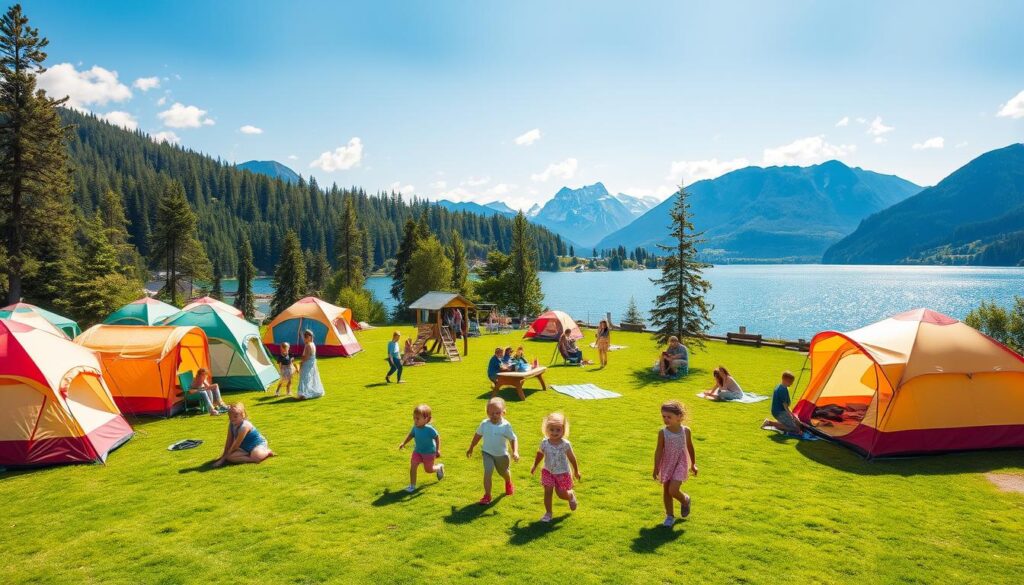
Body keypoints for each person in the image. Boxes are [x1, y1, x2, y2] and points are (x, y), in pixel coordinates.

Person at [466, 397, 519, 505]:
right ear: (487, 412)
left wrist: (515, 451)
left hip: (501, 455)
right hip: (487, 453)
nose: (494, 416)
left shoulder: (506, 425)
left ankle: (508, 482)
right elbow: (477, 436)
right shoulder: (484, 424)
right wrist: (471, 447)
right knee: (488, 472)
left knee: (503, 472)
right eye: (491, 413)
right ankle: (487, 495)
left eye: (497, 413)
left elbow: (513, 438)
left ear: (503, 412)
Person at [653, 400, 697, 527]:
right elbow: (658, 450)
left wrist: (693, 464)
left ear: (679, 417)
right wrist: (656, 467)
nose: (665, 419)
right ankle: (669, 516)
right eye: (663, 416)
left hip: (681, 462)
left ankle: (685, 499)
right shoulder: (663, 433)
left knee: (673, 490)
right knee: (666, 490)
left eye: (669, 417)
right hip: (667, 463)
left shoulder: (686, 431)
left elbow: (690, 447)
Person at [529, 412, 581, 522]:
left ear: (563, 430)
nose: (554, 432)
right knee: (547, 491)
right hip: (548, 471)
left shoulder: (565, 444)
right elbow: (540, 454)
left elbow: (572, 457)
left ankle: (570, 496)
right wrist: (534, 466)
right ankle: (548, 513)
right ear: (547, 429)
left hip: (562, 473)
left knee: (561, 494)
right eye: (551, 429)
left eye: (558, 430)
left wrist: (576, 471)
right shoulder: (544, 442)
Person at [398, 404, 444, 492]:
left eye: (418, 418)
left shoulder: (429, 429)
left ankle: (439, 467)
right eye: (414, 418)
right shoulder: (415, 427)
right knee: (413, 466)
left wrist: (438, 449)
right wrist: (404, 443)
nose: (415, 420)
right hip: (417, 451)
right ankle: (412, 486)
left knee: (428, 470)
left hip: (429, 452)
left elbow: (437, 437)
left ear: (427, 419)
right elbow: (411, 435)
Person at [213, 402, 274, 467]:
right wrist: (223, 457)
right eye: (230, 417)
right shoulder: (231, 425)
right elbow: (229, 441)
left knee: (256, 455)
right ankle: (252, 459)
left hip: (258, 444)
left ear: (242, 415)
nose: (232, 419)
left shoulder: (244, 426)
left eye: (235, 417)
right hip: (244, 449)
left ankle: (267, 452)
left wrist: (223, 460)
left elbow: (236, 445)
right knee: (229, 456)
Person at [296, 330, 325, 400]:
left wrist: (301, 363)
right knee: (310, 378)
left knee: (305, 378)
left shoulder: (309, 345)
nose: (304, 339)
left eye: (305, 337)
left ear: (308, 337)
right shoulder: (312, 344)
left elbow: (306, 357)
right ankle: (307, 392)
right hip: (311, 364)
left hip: (308, 364)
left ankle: (304, 394)